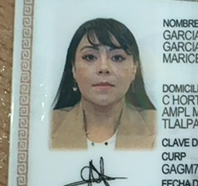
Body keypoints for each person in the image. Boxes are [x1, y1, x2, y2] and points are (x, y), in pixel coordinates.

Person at [51, 18, 156, 149]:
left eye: (117, 57)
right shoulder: (43, 127)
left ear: (134, 69)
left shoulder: (161, 127)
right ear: (73, 68)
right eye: (90, 57)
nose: (103, 68)